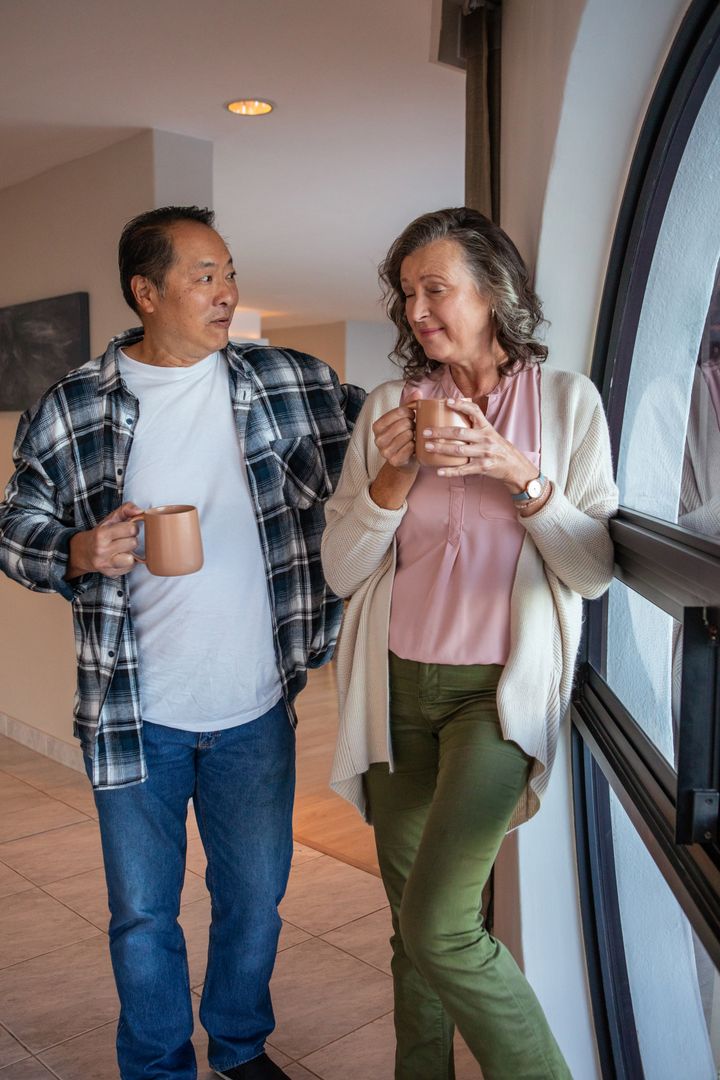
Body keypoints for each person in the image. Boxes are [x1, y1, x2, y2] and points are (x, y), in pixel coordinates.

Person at [0, 205, 364, 1080]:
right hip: (136, 716)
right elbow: (16, 525)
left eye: (228, 273)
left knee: (254, 906)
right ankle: (159, 1065)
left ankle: (239, 1050)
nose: (227, 293)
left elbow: (380, 433)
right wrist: (79, 549)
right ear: (146, 291)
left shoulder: (286, 381)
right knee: (142, 915)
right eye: (205, 277)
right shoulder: (75, 405)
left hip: (255, 710)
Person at [321, 206, 618, 1080]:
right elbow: (343, 567)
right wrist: (392, 475)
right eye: (407, 293)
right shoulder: (388, 407)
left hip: (495, 699)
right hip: (396, 693)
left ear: (495, 294)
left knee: (440, 923)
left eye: (435, 289)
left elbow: (593, 568)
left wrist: (517, 473)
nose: (417, 309)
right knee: (411, 926)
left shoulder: (567, 403)